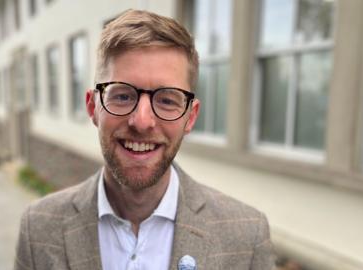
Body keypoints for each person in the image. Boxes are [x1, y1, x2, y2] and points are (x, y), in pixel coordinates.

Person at [14, 9, 274, 270]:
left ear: (191, 117)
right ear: (93, 107)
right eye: (123, 96)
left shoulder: (247, 239)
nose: (141, 121)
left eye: (167, 100)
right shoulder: (38, 230)